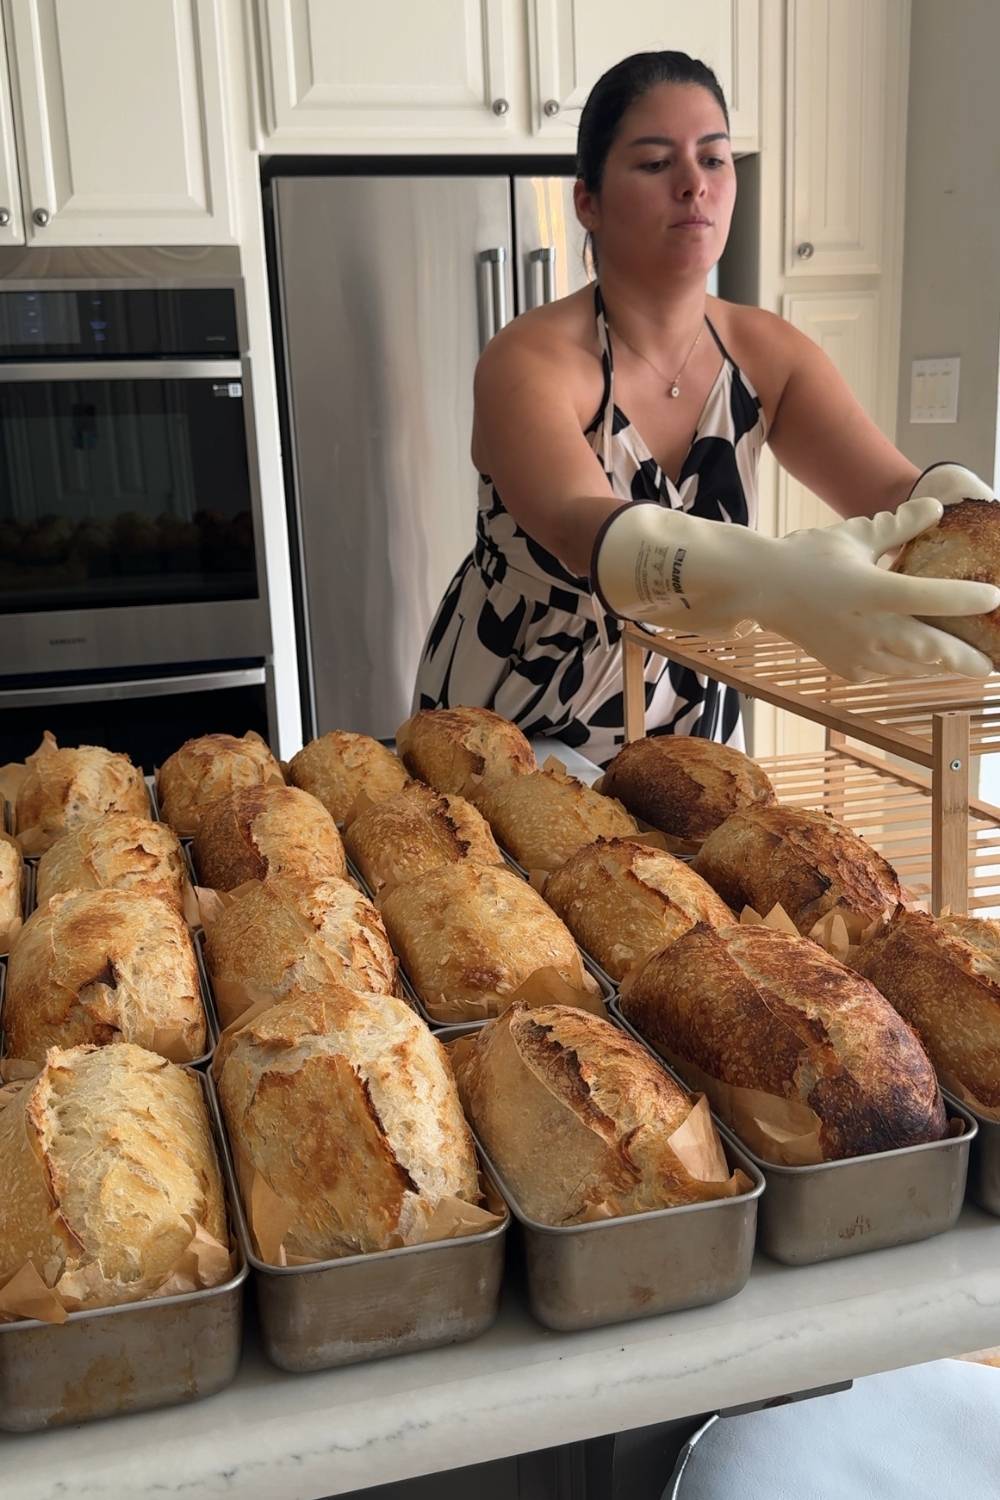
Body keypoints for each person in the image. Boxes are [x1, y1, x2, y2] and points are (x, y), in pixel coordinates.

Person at [412, 51, 999, 767]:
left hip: (687, 727)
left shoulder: (767, 352)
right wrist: (774, 576)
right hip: (513, 722)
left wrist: (975, 518)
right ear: (587, 202)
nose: (695, 185)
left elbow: (897, 493)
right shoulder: (528, 360)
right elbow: (575, 525)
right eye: (656, 164)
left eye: (714, 159)